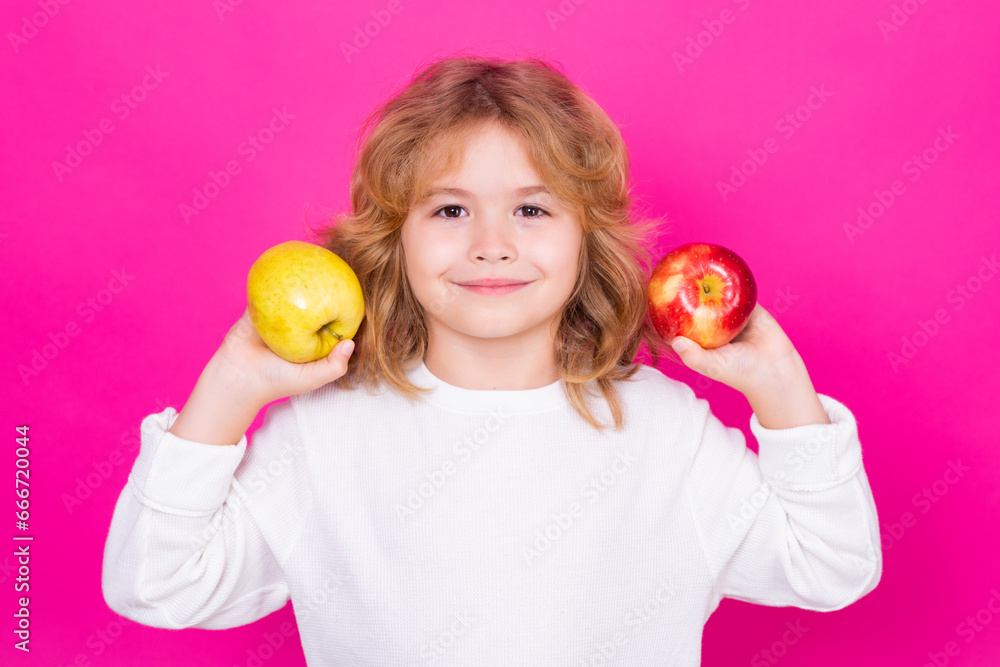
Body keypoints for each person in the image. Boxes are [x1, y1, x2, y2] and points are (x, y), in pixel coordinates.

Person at [101, 53, 882, 666]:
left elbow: (831, 566)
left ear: (587, 239)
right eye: (449, 209)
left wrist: (780, 389)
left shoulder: (660, 427)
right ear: (395, 241)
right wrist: (232, 387)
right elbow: (153, 583)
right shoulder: (322, 436)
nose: (491, 243)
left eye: (532, 209)